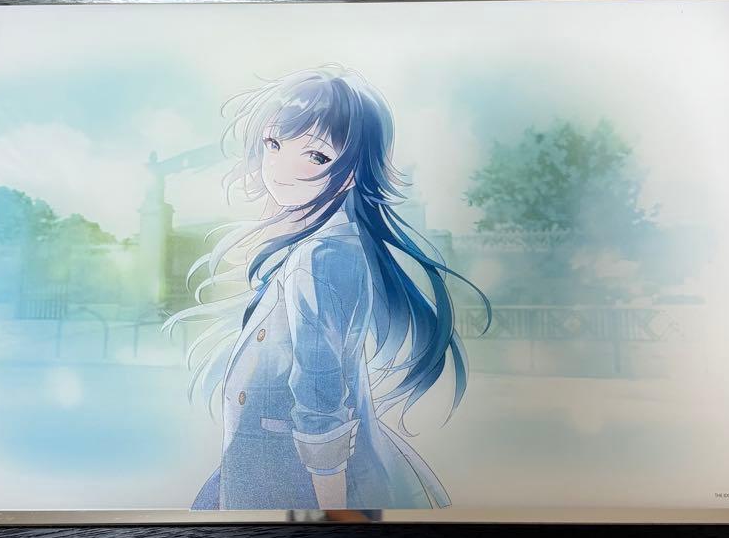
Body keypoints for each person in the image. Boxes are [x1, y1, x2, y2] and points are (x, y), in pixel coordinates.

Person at [165, 64, 490, 510]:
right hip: (266, 466)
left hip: (293, 481)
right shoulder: (322, 246)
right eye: (274, 144)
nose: (279, 169)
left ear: (353, 171)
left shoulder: (322, 256)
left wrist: (333, 516)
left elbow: (320, 396)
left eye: (316, 156)